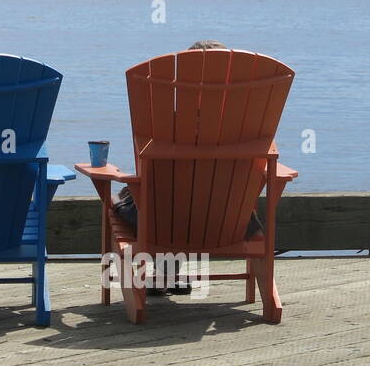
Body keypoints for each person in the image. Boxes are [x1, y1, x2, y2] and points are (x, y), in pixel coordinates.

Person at [112, 40, 264, 295]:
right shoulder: (247, 125)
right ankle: (167, 276)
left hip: (170, 222)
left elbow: (155, 176)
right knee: (188, 196)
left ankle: (156, 278)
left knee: (145, 200)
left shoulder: (169, 124)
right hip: (229, 223)